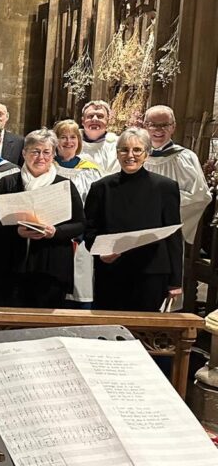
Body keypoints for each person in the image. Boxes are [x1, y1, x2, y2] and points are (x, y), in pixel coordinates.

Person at [0, 129, 86, 308]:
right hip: (8, 264)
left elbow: (80, 224)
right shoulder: (7, 183)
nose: (41, 157)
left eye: (46, 152)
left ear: (54, 154)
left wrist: (55, 231)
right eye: (35, 151)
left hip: (50, 267)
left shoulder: (64, 185)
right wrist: (15, 231)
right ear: (24, 153)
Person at [84, 127, 183, 311]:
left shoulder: (165, 187)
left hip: (152, 273)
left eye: (137, 150)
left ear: (146, 154)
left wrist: (175, 281)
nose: (130, 155)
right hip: (112, 271)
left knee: (145, 330)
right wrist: (99, 252)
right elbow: (89, 230)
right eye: (124, 149)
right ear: (117, 153)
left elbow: (174, 236)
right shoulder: (101, 187)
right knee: (109, 330)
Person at [142, 104, 211, 244]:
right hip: (136, 230)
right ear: (145, 126)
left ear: (173, 127)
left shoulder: (186, 158)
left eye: (165, 125)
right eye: (153, 124)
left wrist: (163, 202)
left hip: (170, 232)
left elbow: (201, 196)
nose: (159, 130)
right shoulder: (134, 156)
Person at [53, 119, 102, 308]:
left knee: (81, 284)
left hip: (81, 236)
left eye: (73, 137)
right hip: (53, 233)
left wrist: (84, 230)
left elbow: (95, 204)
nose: (68, 141)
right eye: (62, 137)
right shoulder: (47, 166)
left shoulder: (90, 170)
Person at [80, 99, 119, 174]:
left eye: (100, 116)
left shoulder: (117, 145)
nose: (94, 119)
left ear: (108, 121)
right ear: (83, 121)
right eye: (90, 116)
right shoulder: (71, 143)